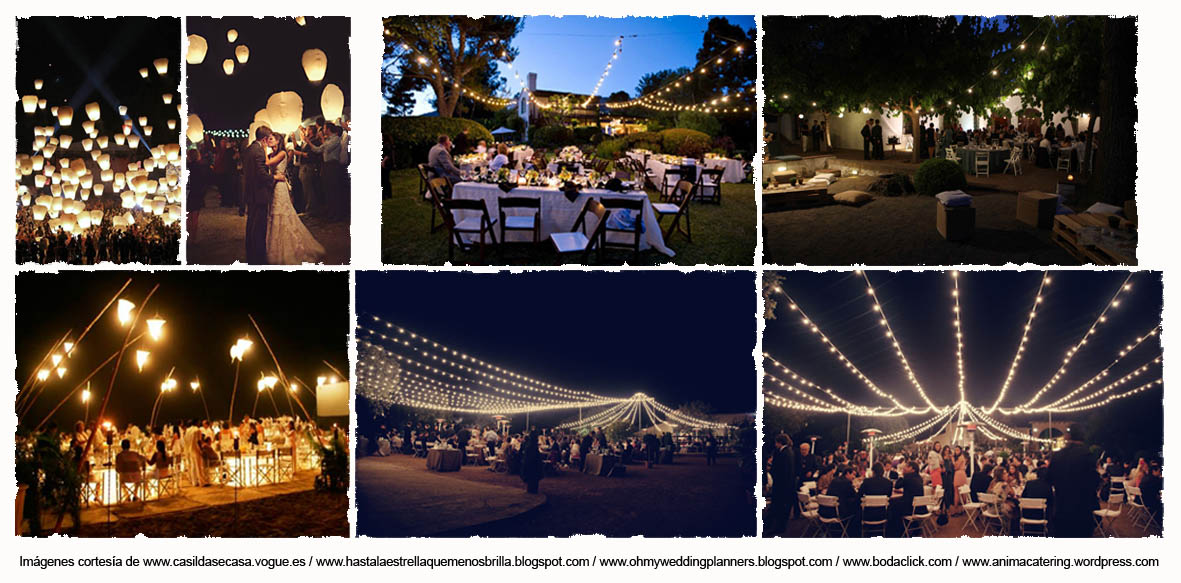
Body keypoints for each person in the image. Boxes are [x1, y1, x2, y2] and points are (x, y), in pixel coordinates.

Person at [264, 134, 326, 264]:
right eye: (267, 139)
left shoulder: (281, 153)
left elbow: (268, 163)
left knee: (283, 213)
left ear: (278, 140)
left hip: (280, 187)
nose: (268, 141)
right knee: (273, 214)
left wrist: (264, 149)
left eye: (270, 138)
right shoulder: (272, 154)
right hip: (273, 185)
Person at [1047, 423, 1101, 537]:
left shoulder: (1057, 456)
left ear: (1068, 436)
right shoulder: (1088, 456)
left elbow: (1049, 479)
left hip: (1062, 509)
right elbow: (1095, 482)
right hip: (1082, 511)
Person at [242, 126, 279, 264]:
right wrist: (274, 178)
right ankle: (258, 258)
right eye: (268, 138)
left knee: (251, 224)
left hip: (250, 192)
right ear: (264, 139)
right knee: (258, 227)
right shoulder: (259, 151)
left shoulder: (249, 148)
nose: (269, 141)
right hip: (259, 193)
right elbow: (261, 174)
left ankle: (251, 254)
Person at [766, 434, 795, 535]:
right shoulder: (789, 452)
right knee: (780, 507)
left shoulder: (784, 453)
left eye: (776, 442)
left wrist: (772, 469)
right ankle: (774, 526)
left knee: (780, 508)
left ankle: (778, 528)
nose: (775, 444)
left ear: (779, 442)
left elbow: (781, 470)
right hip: (786, 485)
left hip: (782, 486)